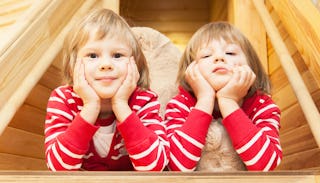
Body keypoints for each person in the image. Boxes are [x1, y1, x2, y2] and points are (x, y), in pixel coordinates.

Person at [44, 8, 169, 171]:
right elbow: (58, 167)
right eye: (93, 55)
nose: (106, 64)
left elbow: (155, 166)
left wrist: (121, 105)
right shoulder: (63, 99)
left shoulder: (144, 100)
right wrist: (90, 106)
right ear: (72, 66)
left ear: (136, 66)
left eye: (117, 55)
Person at [164, 22, 282, 171]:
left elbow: (265, 165)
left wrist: (228, 101)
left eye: (230, 53)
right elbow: (176, 166)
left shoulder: (262, 105)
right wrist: (205, 99)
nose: (219, 58)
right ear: (190, 70)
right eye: (206, 55)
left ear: (251, 66)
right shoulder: (180, 104)